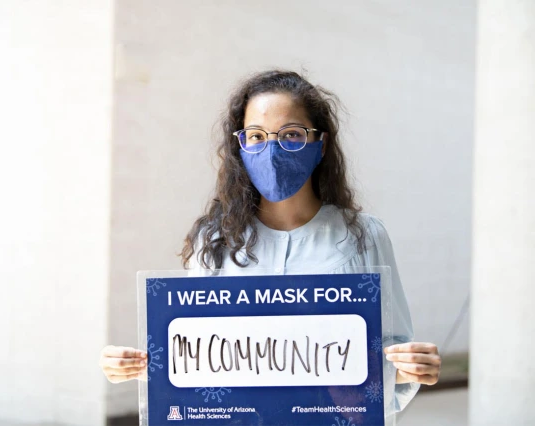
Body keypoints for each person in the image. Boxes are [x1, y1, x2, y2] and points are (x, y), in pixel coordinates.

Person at [98, 70, 441, 413]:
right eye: (256, 136)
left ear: (320, 145)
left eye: (291, 134)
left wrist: (413, 367)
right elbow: (197, 358)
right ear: (240, 147)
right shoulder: (213, 241)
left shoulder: (364, 236)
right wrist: (140, 366)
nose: (272, 150)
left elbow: (391, 360)